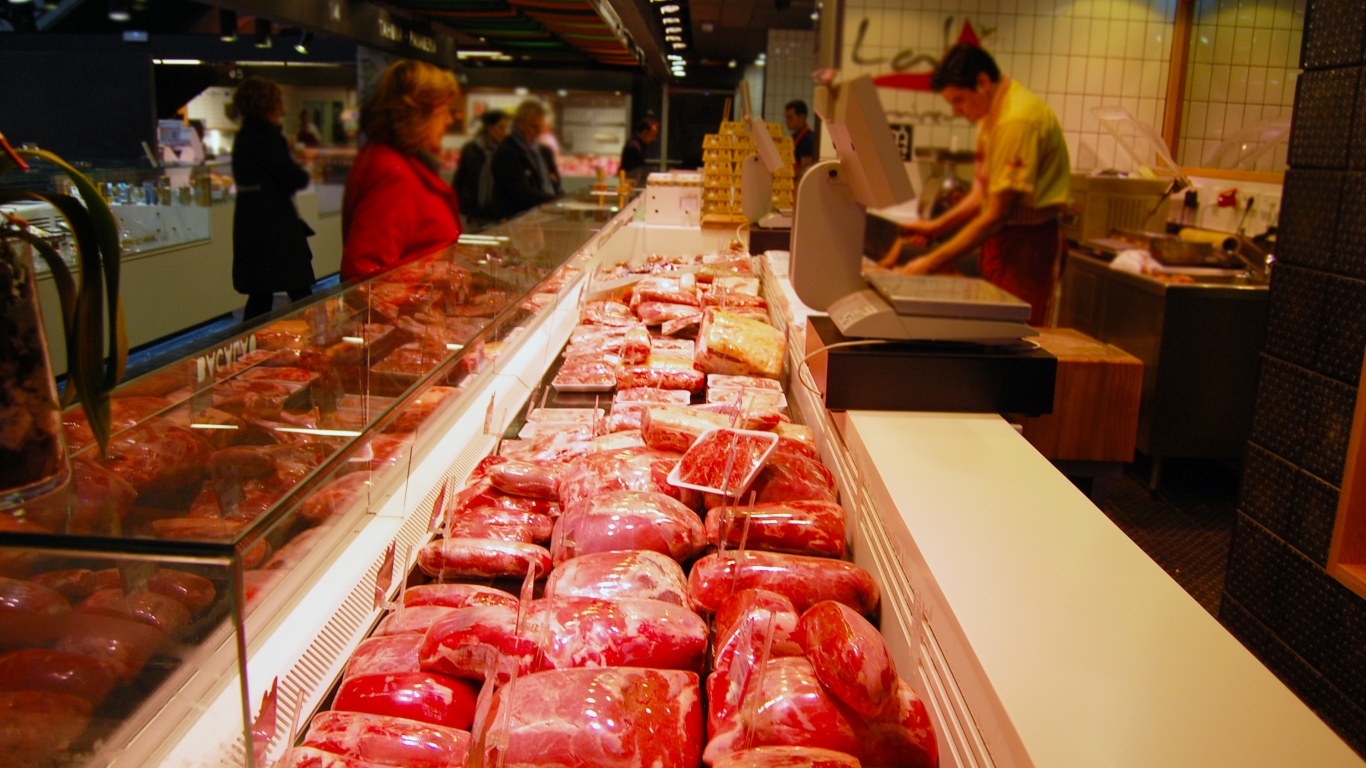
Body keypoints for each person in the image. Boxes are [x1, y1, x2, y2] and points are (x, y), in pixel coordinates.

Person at [879, 44, 1069, 326]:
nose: (956, 111)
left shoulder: (1017, 121)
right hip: (1002, 244)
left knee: (1016, 331)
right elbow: (983, 192)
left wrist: (928, 263)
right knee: (994, 329)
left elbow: (995, 215)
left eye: (959, 100)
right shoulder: (991, 112)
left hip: (1028, 247)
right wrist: (935, 227)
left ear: (982, 82)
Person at [341, 60, 462, 282]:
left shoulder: (397, 160)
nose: (448, 121)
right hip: (413, 304)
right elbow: (364, 272)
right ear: (418, 116)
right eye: (443, 111)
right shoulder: (391, 171)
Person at [230, 76, 315, 321]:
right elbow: (294, 177)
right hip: (276, 225)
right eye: (278, 102)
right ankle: (316, 335)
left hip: (250, 223)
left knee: (260, 294)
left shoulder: (244, 137)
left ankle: (249, 342)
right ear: (267, 104)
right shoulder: (268, 138)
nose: (282, 108)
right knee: (300, 290)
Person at [491, 100, 557, 219]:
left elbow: (555, 181)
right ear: (519, 123)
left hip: (542, 217)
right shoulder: (507, 152)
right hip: (516, 220)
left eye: (540, 127)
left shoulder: (543, 151)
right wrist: (555, 199)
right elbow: (520, 192)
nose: (538, 132)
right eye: (534, 127)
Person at [453, 109, 508, 227]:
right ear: (489, 128)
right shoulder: (471, 150)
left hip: (497, 215)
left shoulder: (507, 152)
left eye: (505, 128)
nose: (504, 132)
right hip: (471, 214)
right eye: (500, 127)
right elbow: (460, 181)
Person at [619, 117, 658, 186]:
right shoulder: (634, 146)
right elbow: (634, 173)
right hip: (631, 184)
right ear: (645, 131)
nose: (653, 138)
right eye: (652, 135)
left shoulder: (637, 144)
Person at [784, 100, 816, 177]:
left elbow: (805, 169)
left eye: (790, 118)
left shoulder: (808, 139)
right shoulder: (793, 137)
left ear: (802, 118)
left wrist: (787, 175)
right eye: (786, 118)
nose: (787, 121)